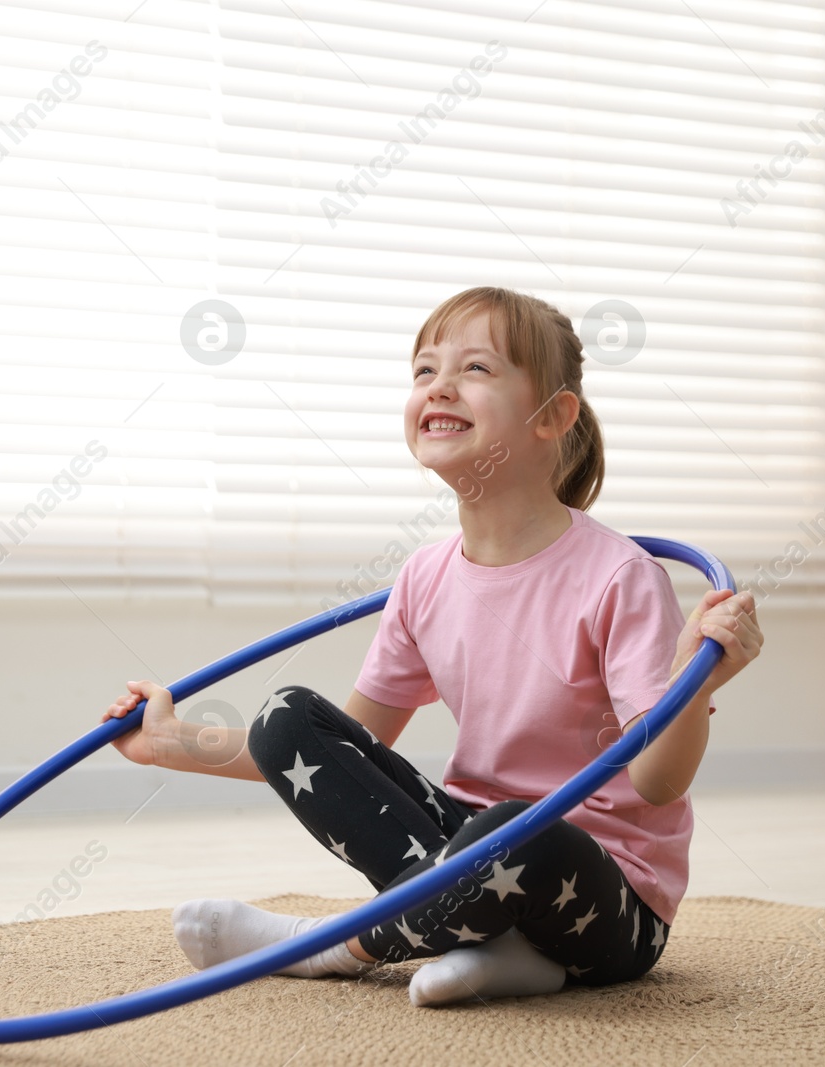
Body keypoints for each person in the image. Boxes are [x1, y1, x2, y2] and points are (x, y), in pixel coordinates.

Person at [101, 286, 762, 1007]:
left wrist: (692, 682)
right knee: (286, 716)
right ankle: (493, 944)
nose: (440, 384)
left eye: (476, 368)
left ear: (554, 416)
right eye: (423, 370)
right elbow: (346, 748)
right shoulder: (424, 577)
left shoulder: (620, 576)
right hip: (473, 846)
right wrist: (169, 740)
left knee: (522, 825)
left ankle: (324, 943)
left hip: (605, 901)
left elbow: (659, 783)